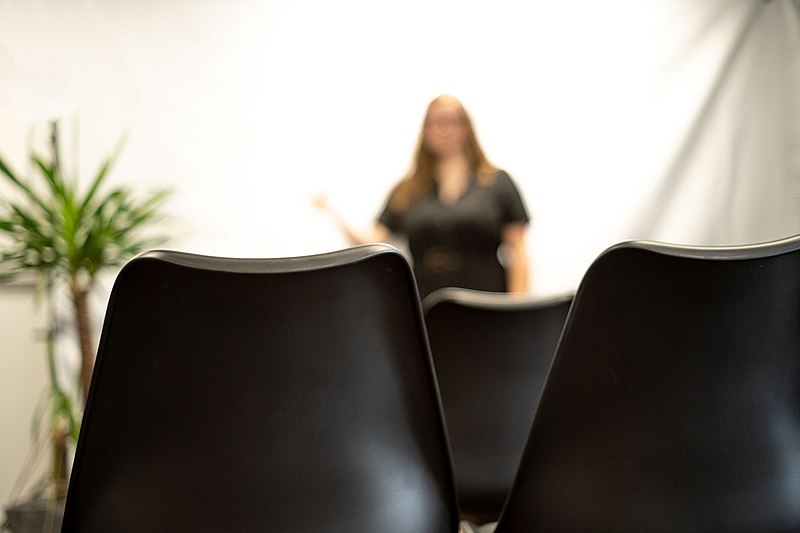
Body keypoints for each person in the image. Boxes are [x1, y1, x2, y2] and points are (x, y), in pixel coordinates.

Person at [316, 94, 530, 299]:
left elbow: (518, 249)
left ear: (467, 127)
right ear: (425, 130)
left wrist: (517, 307)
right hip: (426, 305)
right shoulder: (407, 191)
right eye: (436, 122)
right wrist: (333, 212)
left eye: (453, 121)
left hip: (487, 302)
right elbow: (373, 241)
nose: (444, 129)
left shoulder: (498, 183)